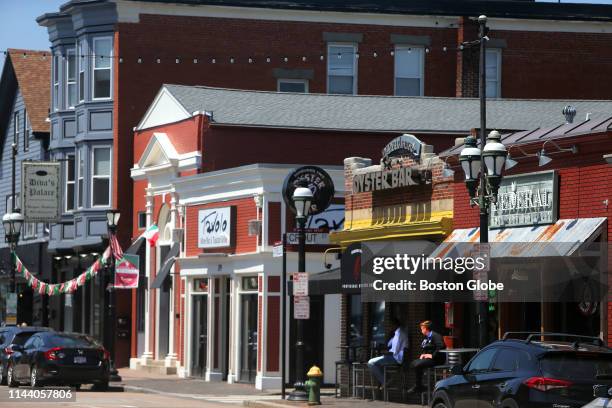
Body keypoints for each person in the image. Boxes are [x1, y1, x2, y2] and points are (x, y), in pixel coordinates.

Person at [367, 317, 409, 387]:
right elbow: (389, 345)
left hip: (396, 359)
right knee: (378, 363)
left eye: (389, 325)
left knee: (371, 363)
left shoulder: (399, 334)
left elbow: (394, 351)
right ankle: (386, 379)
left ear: (394, 325)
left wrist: (384, 353)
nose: (388, 327)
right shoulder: (396, 333)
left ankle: (385, 381)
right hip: (394, 357)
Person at [406, 320, 445, 394]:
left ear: (426, 328)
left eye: (422, 329)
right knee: (413, 363)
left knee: (417, 365)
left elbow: (441, 346)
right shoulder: (427, 337)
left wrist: (432, 355)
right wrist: (424, 354)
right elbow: (428, 348)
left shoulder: (435, 335)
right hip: (428, 359)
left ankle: (418, 386)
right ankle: (419, 385)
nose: (421, 330)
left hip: (436, 359)